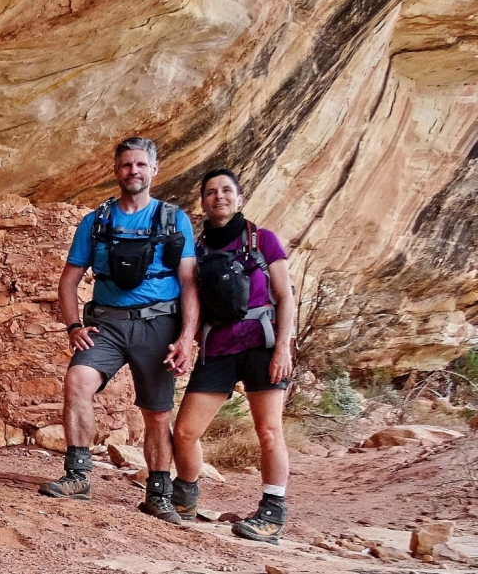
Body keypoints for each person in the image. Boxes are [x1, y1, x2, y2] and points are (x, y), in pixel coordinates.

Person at [39, 136, 199, 526]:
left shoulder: (172, 219)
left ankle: (158, 494)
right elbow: (68, 281)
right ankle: (78, 476)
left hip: (158, 325)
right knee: (77, 380)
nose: (134, 172)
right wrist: (74, 325)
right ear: (117, 171)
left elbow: (190, 282)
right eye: (127, 165)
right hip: (106, 324)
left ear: (154, 170)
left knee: (157, 414)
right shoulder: (96, 222)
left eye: (141, 165)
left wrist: (185, 338)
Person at [171, 168, 295, 544]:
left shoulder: (264, 240)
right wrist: (186, 343)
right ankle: (186, 498)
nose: (219, 196)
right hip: (219, 348)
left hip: (262, 343)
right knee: (185, 431)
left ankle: (272, 511)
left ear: (240, 198)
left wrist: (284, 347)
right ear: (204, 202)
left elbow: (286, 295)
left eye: (227, 190)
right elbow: (191, 300)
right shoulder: (199, 249)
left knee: (269, 431)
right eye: (211, 192)